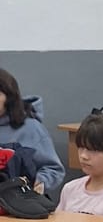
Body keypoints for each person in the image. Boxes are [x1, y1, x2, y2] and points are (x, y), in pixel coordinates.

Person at [0, 67, 64, 196]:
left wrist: (40, 182)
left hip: (16, 201)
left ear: (9, 97)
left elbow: (53, 169)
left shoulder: (31, 129)